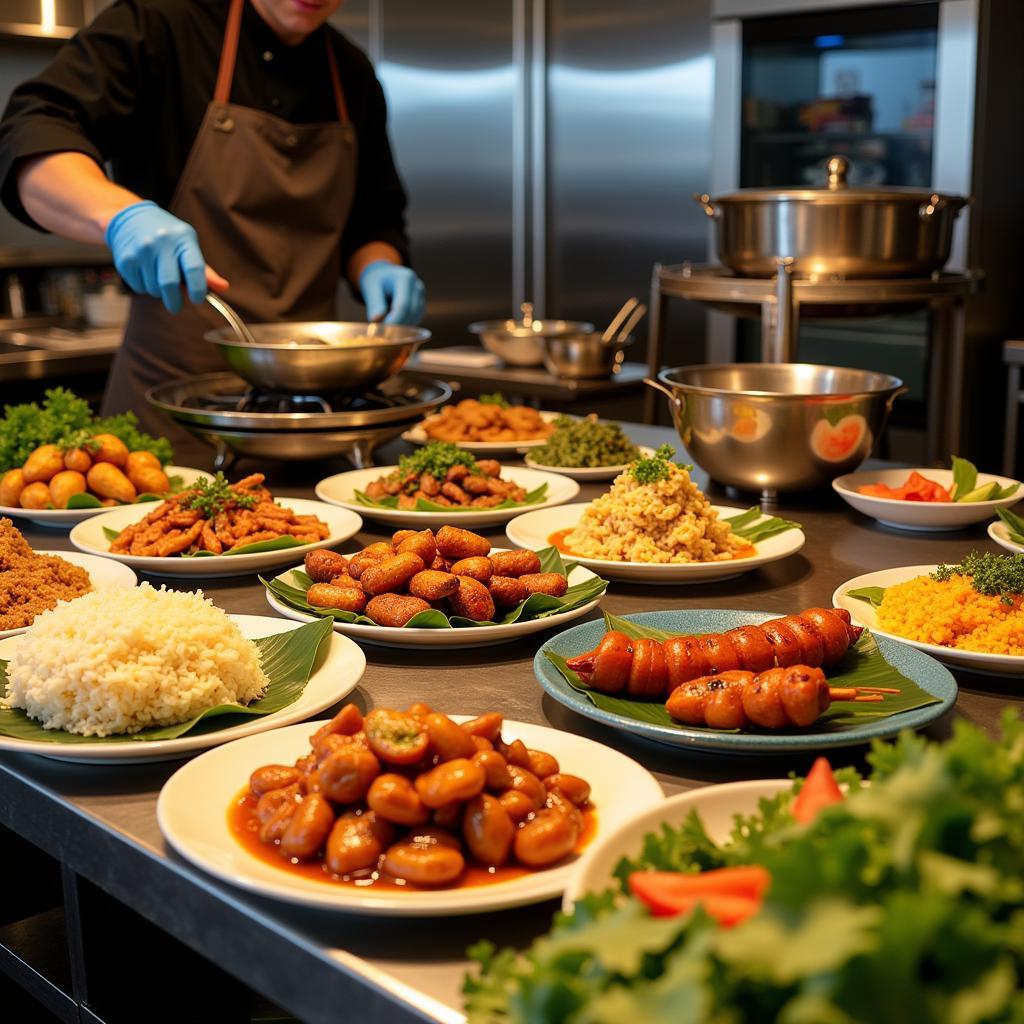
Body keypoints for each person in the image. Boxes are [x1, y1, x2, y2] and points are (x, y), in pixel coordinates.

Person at [0, 0, 424, 433]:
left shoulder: (351, 72)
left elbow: (374, 218)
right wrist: (122, 216)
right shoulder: (160, 22)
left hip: (314, 416)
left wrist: (379, 267)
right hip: (175, 404)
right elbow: (33, 131)